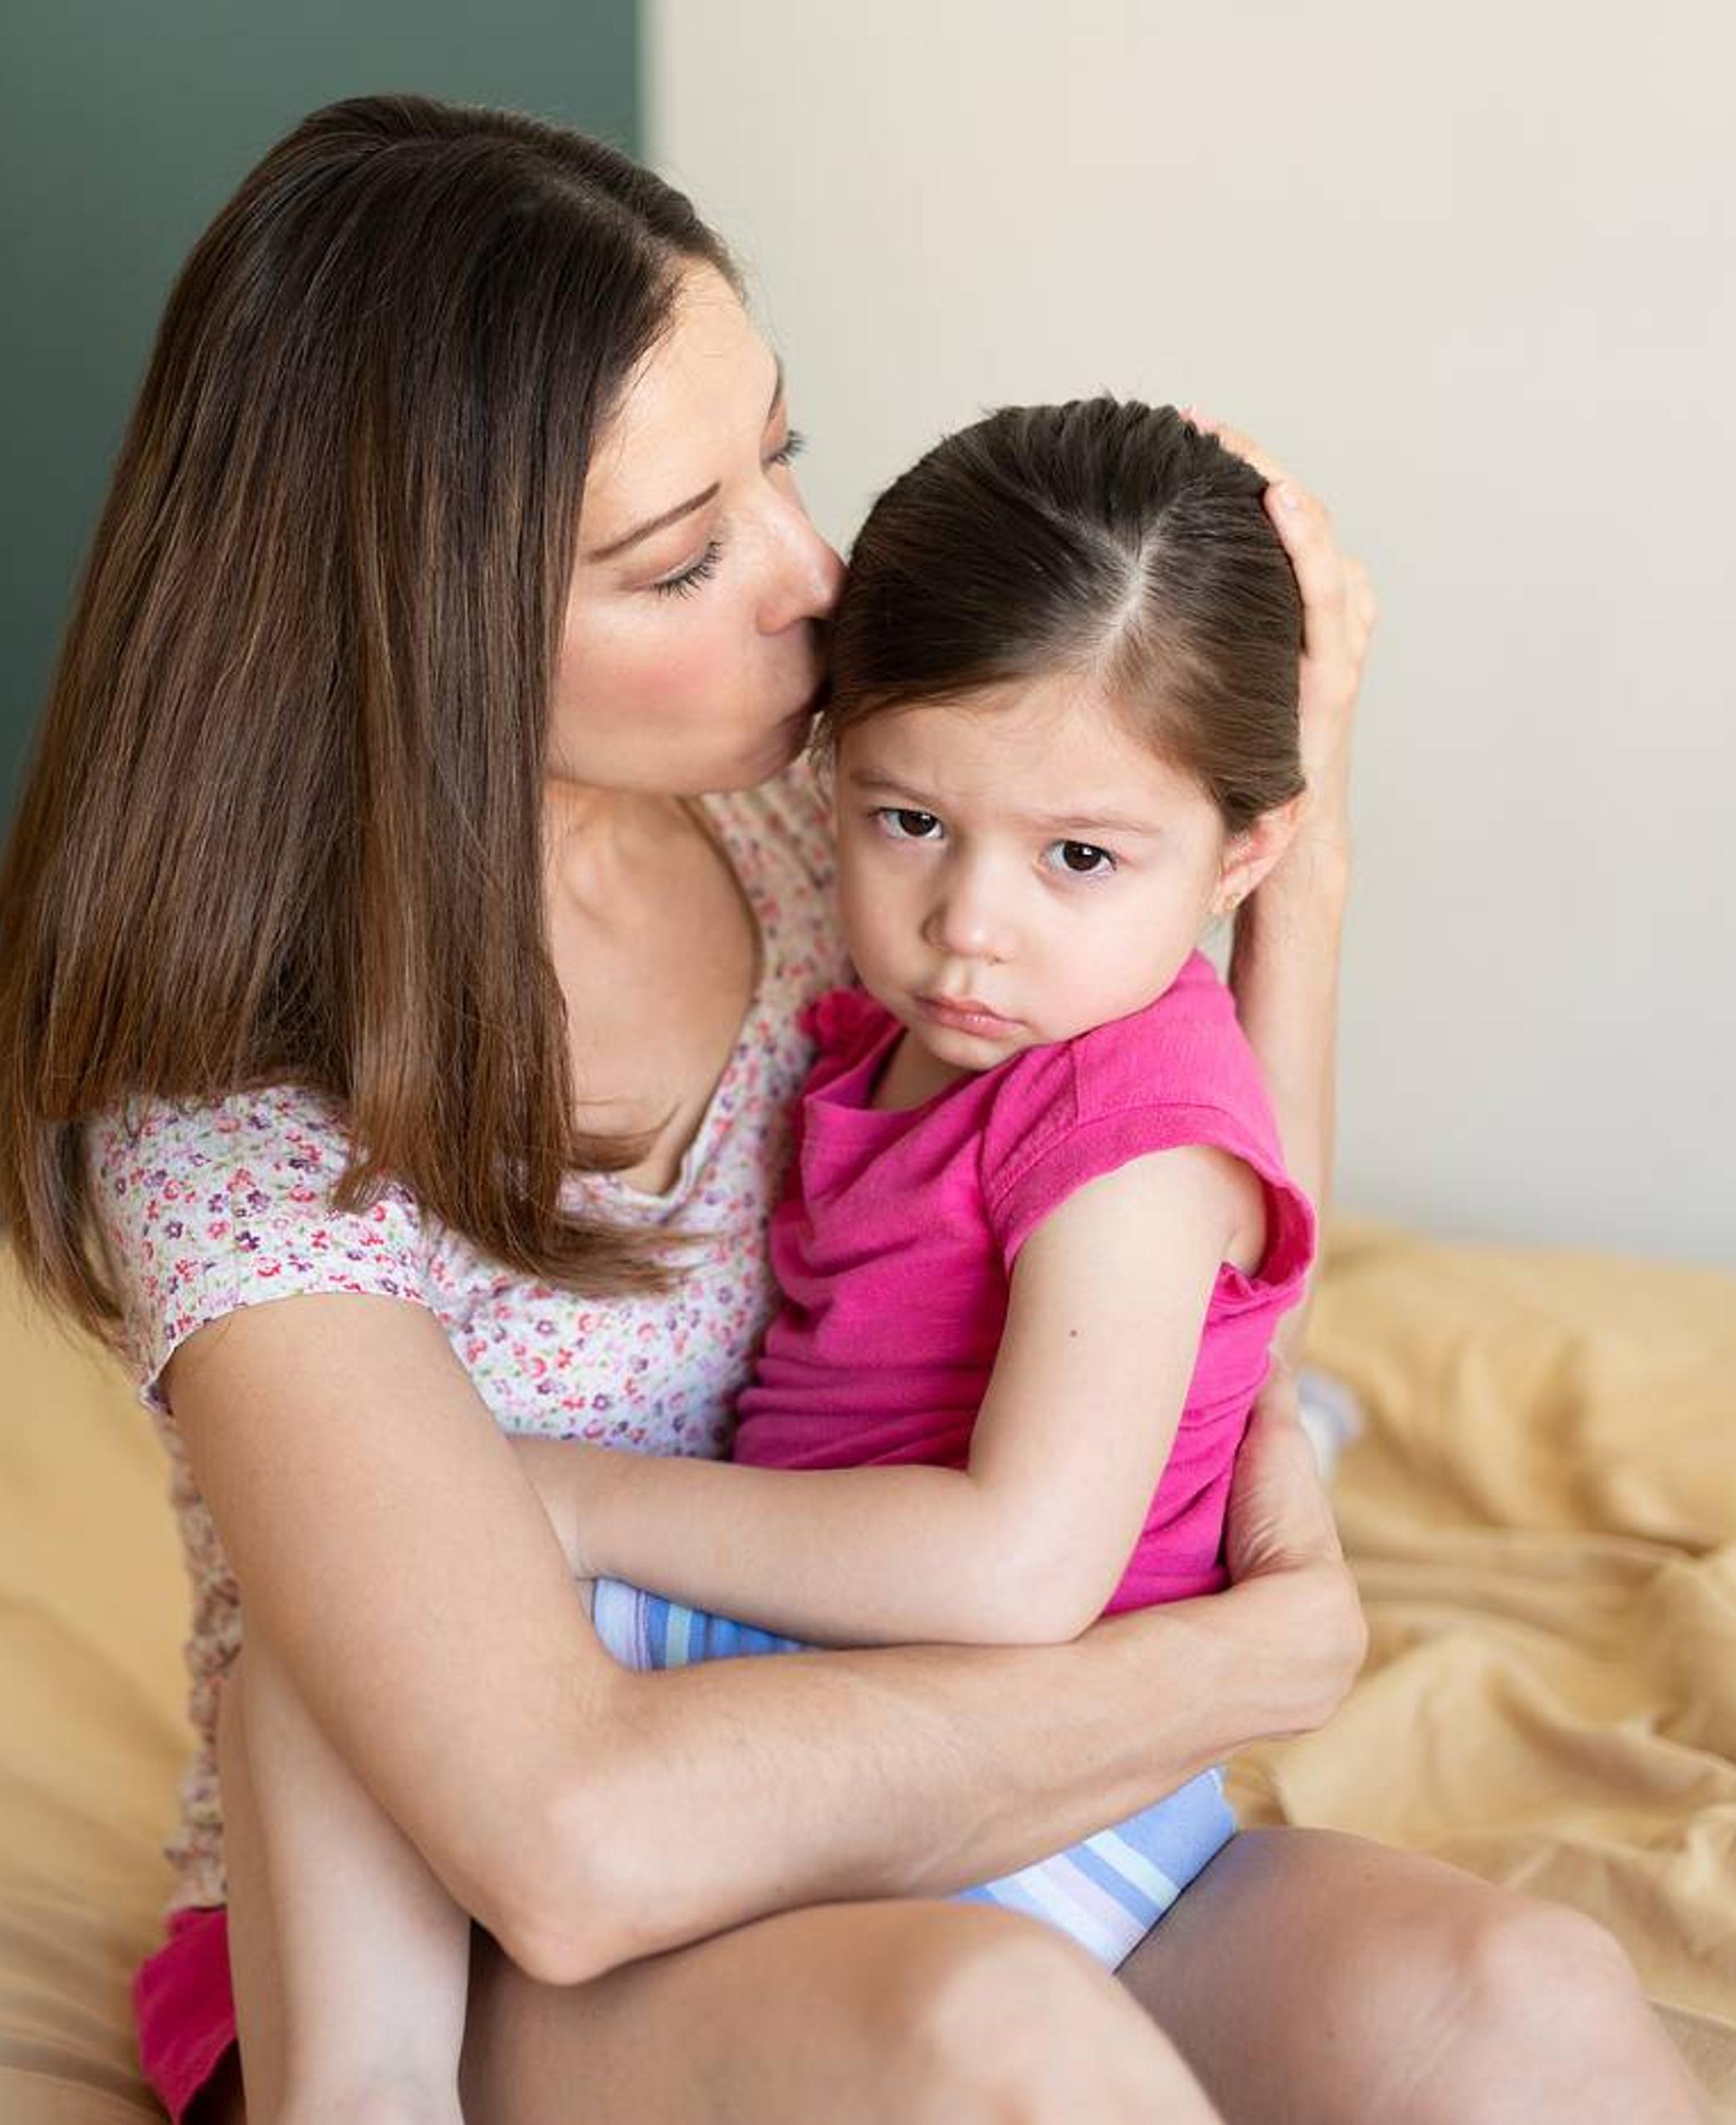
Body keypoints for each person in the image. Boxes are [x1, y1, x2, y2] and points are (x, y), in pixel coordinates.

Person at [0, 91, 1704, 2125]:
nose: (815, 572)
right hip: (488, 1915)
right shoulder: (240, 1126)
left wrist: (1291, 856)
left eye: (778, 453)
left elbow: (1165, 1265)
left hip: (919, 1764)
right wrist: (1224, 1669)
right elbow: (568, 1839)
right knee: (992, 2037)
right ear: (422, 629)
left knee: (1520, 1998)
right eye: (682, 556)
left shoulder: (854, 832)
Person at [223, 396, 1343, 2116]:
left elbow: (1018, 1573)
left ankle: (358, 2090)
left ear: (1239, 853)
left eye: (1078, 858)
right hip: (851, 1704)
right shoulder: (914, 1022)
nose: (970, 924)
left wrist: (565, 1498)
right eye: (910, 822)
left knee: (340, 1618)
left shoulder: (1128, 1115)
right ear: (839, 771)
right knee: (348, 1615)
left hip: (991, 1753)